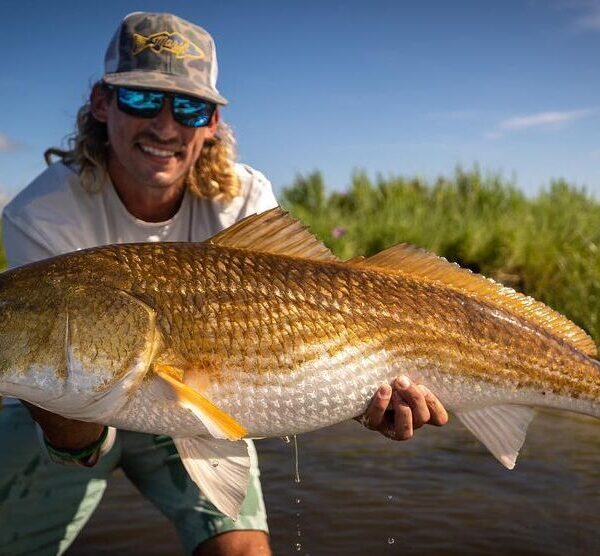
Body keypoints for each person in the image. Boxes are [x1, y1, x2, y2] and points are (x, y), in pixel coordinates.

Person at [0, 12, 448, 556]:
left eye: (189, 107)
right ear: (101, 103)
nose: (165, 127)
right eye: (142, 99)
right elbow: (79, 435)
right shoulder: (39, 215)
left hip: (197, 409)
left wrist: (356, 395)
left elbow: (308, 341)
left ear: (211, 122)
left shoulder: (243, 199)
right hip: (61, 414)